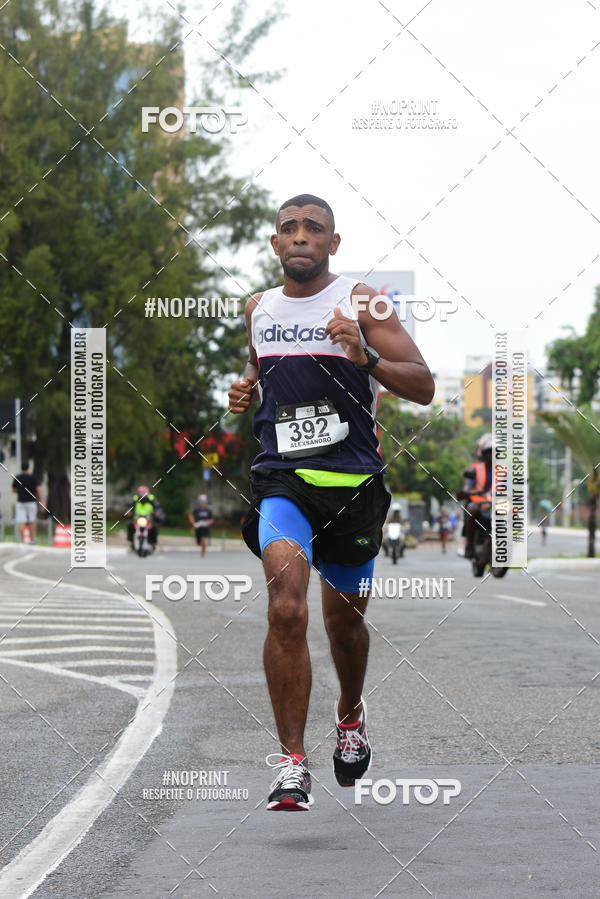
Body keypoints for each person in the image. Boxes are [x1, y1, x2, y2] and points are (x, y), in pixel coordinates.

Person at [228, 193, 434, 811]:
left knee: (345, 626)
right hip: (281, 481)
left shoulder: (363, 301)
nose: (299, 237)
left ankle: (350, 713)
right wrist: (248, 387)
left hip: (352, 486)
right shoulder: (257, 308)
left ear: (332, 244)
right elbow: (265, 368)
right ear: (274, 244)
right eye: (288, 228)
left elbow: (423, 385)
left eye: (313, 229)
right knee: (285, 609)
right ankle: (291, 762)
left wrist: (365, 355)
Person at [459, 434, 493, 558]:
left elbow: (508, 485)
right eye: (489, 452)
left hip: (497, 503)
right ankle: (468, 544)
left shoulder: (503, 470)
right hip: (479, 502)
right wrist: (470, 491)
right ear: (483, 454)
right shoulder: (476, 468)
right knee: (472, 509)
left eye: (494, 452)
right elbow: (468, 486)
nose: (491, 455)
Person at [12, 461, 43, 543]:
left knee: (21, 521)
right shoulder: (33, 477)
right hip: (31, 502)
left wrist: (19, 491)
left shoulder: (18, 477)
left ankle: (23, 540)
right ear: (28, 468)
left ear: (21, 468)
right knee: (32, 521)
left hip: (21, 502)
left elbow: (13, 489)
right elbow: (38, 489)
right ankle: (32, 540)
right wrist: (42, 500)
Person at [126, 485, 163, 551]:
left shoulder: (152, 499)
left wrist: (158, 512)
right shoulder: (135, 499)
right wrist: (129, 512)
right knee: (129, 525)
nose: (143, 498)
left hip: (148, 520)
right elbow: (130, 507)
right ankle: (131, 541)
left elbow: (158, 507)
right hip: (137, 520)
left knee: (154, 527)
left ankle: (153, 543)